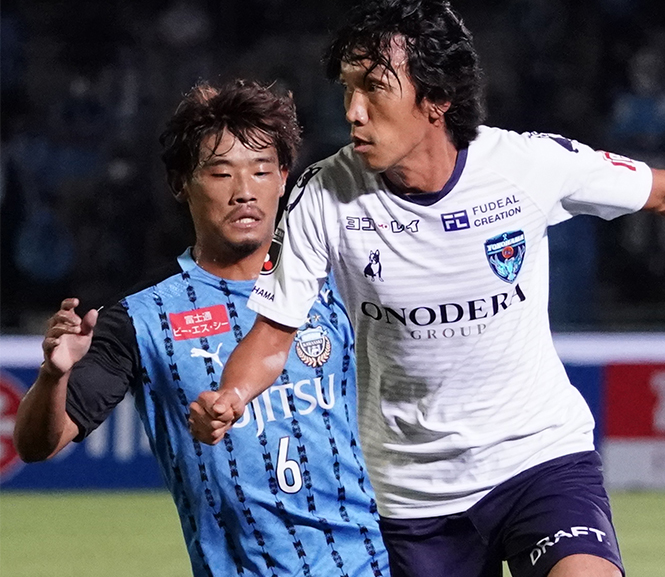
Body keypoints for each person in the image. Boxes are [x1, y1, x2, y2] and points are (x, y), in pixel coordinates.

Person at [189, 0, 665, 577]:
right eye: (347, 87)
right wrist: (232, 394)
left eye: (374, 86)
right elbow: (275, 334)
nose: (352, 110)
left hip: (538, 458)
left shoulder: (525, 168)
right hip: (413, 494)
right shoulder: (324, 195)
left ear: (434, 98)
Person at [13, 80, 390, 577]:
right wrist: (53, 375)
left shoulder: (341, 281)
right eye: (220, 173)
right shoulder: (141, 317)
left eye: (260, 171)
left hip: (371, 563)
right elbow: (39, 444)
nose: (244, 192)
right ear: (180, 183)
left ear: (283, 178)